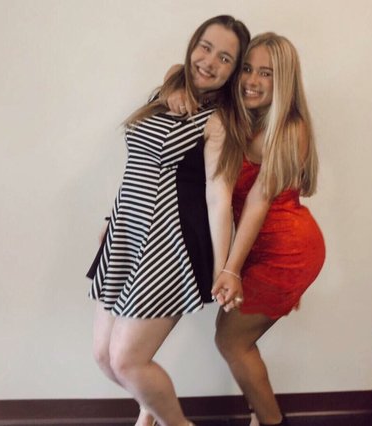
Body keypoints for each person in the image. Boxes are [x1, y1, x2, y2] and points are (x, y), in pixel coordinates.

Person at [86, 15, 250, 426]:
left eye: (225, 58)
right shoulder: (168, 88)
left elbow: (218, 197)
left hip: (167, 242)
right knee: (104, 357)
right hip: (127, 231)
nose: (209, 61)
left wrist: (223, 269)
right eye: (206, 47)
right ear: (193, 44)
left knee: (127, 360)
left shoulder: (217, 120)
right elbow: (138, 165)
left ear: (233, 71)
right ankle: (150, 408)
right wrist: (114, 216)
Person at [211, 33, 326, 426]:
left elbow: (259, 201)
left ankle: (272, 421)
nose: (251, 80)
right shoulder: (248, 116)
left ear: (285, 80)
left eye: (266, 73)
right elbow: (187, 77)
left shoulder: (290, 128)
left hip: (287, 252)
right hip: (262, 247)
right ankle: (261, 417)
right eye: (247, 69)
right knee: (232, 336)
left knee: (231, 340)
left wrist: (230, 268)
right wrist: (175, 83)